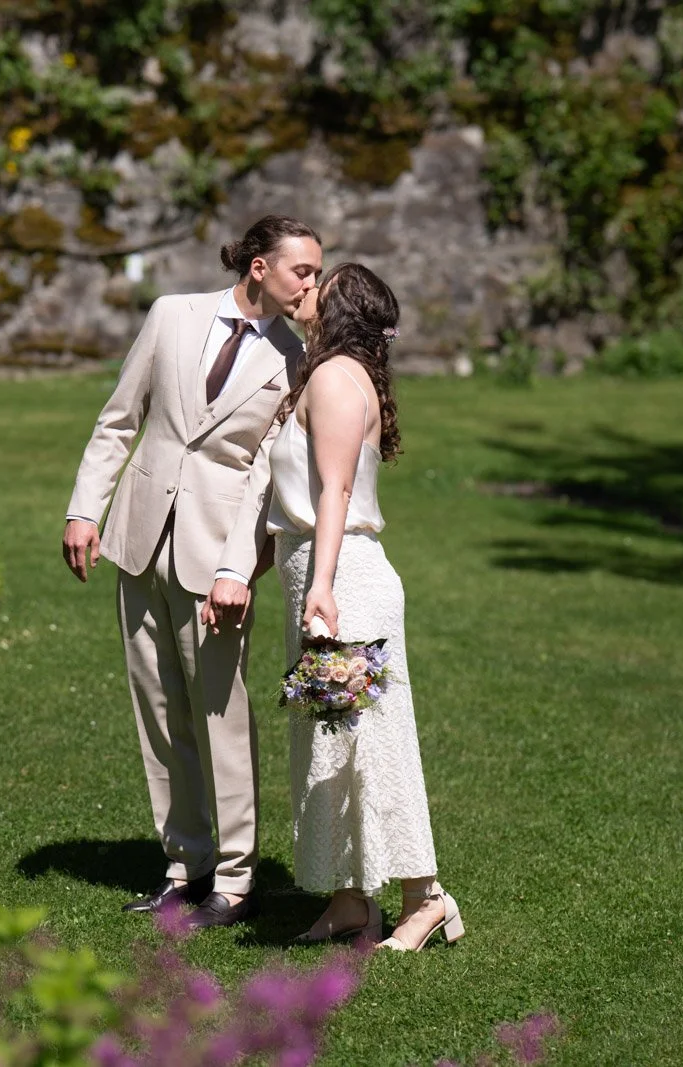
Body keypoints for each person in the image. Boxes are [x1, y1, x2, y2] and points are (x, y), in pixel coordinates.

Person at [63, 215, 323, 929]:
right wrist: (84, 509)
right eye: (302, 270)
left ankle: (236, 881)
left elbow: (265, 477)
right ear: (259, 267)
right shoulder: (170, 315)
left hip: (217, 560)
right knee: (158, 712)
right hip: (138, 535)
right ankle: (185, 864)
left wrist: (237, 567)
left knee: (219, 718)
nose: (313, 283)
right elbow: (119, 419)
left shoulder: (296, 362)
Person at [268, 261, 463, 951]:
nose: (305, 289)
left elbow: (337, 491)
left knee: (372, 744)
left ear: (339, 309)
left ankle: (424, 898)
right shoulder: (337, 374)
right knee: (333, 745)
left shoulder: (332, 377)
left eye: (319, 285)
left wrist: (321, 585)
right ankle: (350, 901)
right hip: (324, 573)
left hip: (344, 580)